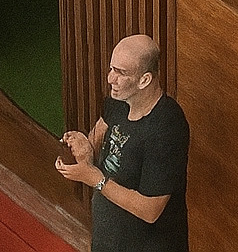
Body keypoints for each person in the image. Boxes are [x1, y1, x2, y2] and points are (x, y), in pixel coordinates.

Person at [56, 35, 189, 252]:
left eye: (121, 73)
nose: (110, 78)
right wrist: (84, 148)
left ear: (144, 80)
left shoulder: (167, 128)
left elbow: (150, 210)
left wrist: (96, 179)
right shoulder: (117, 101)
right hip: (107, 239)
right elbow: (98, 139)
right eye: (111, 69)